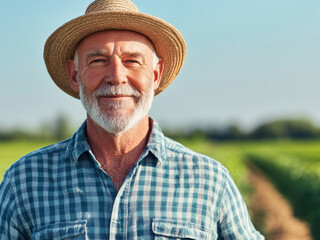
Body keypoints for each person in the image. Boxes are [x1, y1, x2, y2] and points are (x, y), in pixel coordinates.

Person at [0, 0, 264, 239]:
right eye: (98, 60)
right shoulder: (23, 181)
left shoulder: (210, 181)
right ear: (74, 75)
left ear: (156, 74)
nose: (116, 76)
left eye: (132, 61)